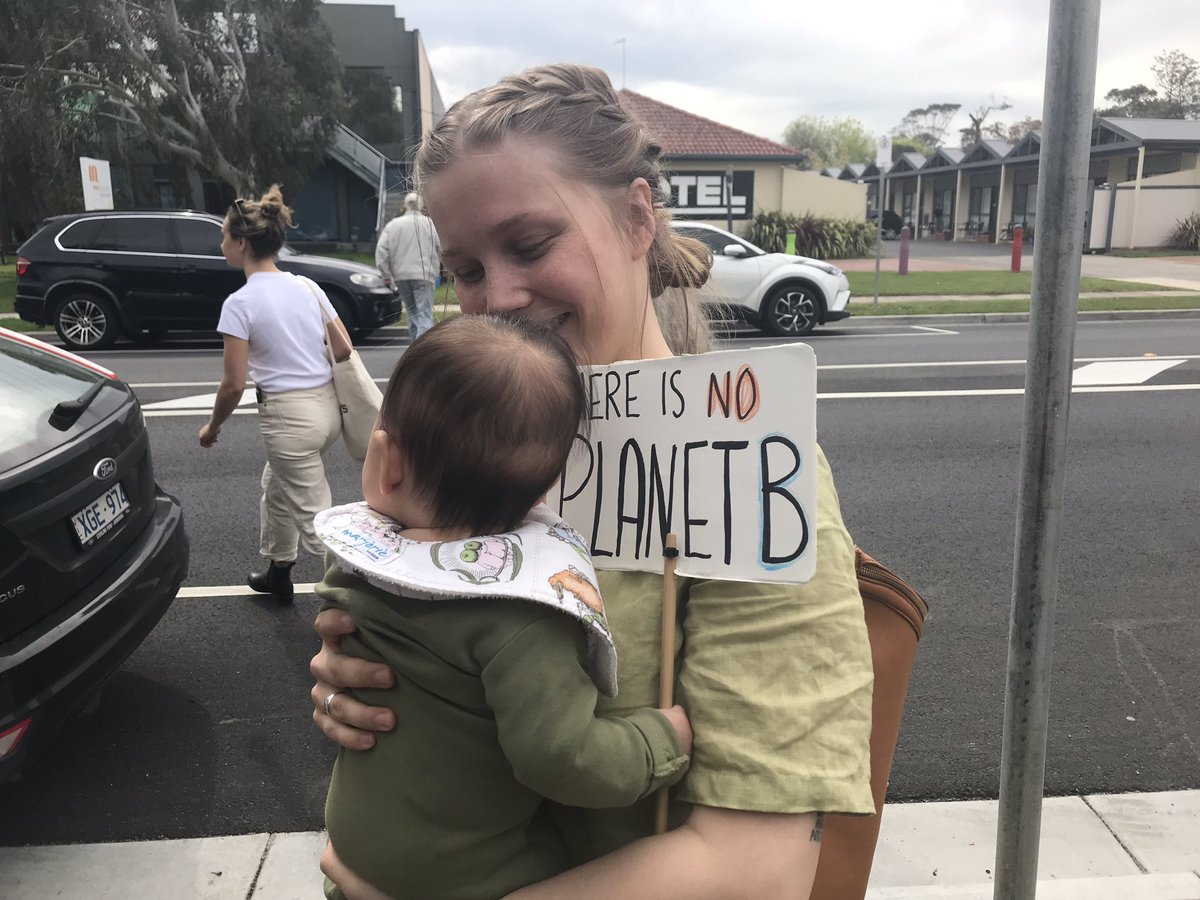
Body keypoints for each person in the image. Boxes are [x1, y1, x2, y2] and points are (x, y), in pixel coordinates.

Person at [311, 64, 875, 900]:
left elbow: (759, 869)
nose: (496, 298)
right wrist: (359, 681)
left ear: (637, 216)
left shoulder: (746, 465)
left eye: (531, 245)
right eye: (464, 269)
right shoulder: (466, 451)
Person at [316, 313, 693, 900]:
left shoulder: (356, 564)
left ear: (387, 464)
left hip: (354, 838)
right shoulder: (522, 607)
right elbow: (561, 757)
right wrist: (657, 743)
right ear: (543, 492)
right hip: (460, 877)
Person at [199, 185, 354, 604]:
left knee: (317, 520)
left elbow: (232, 384)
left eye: (224, 236)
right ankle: (278, 571)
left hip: (289, 420)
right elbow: (342, 348)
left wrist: (212, 426)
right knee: (277, 487)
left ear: (242, 242)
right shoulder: (306, 286)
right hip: (325, 414)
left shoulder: (240, 302)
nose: (221, 244)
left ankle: (364, 606)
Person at [374, 192, 440, 342]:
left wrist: (386, 275)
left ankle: (414, 348)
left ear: (405, 205)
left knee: (412, 313)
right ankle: (424, 352)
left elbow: (381, 251)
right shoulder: (429, 223)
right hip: (424, 274)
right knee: (424, 314)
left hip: (401, 275)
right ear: (422, 205)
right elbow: (441, 246)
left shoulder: (393, 225)